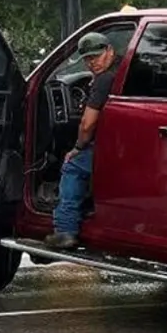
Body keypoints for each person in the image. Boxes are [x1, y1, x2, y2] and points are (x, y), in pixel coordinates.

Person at [45, 32, 120, 250]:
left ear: (109, 50)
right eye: (87, 59)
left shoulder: (104, 79)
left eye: (96, 56)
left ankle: (65, 230)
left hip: (109, 148)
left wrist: (78, 147)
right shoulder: (123, 68)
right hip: (123, 144)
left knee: (72, 165)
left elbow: (87, 124)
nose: (91, 63)